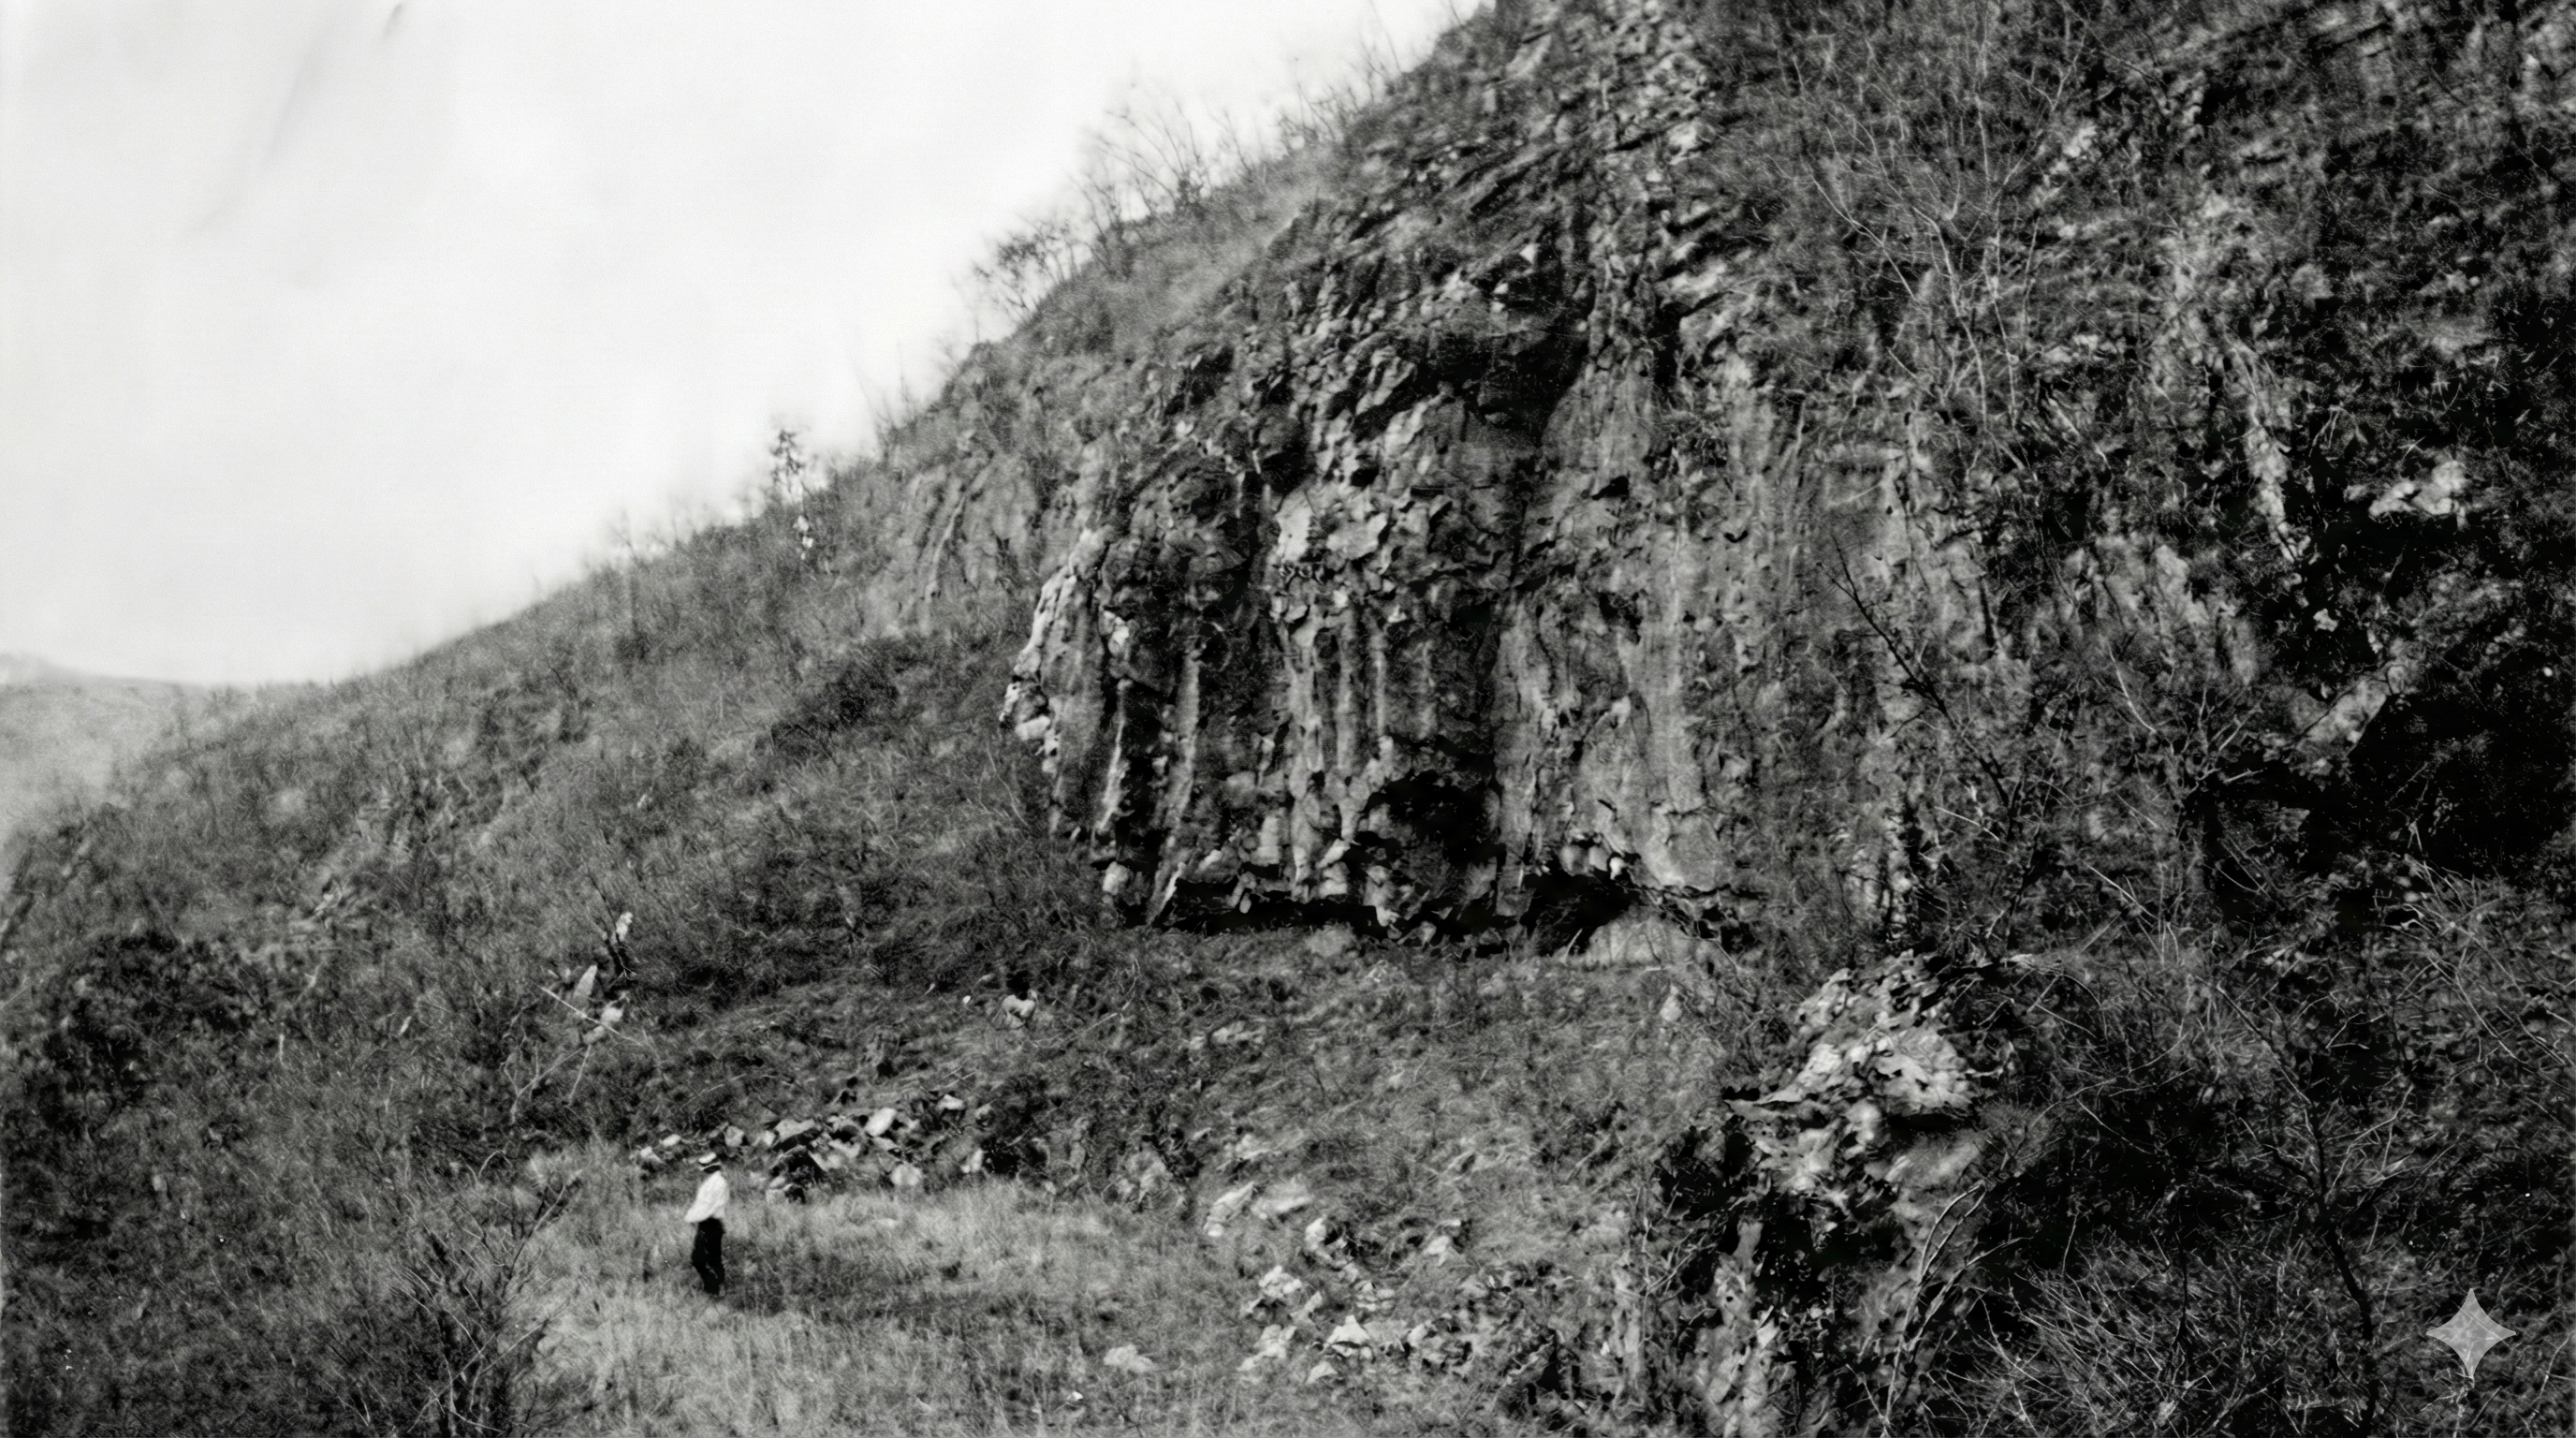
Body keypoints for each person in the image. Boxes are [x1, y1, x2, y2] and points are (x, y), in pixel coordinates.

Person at [684, 1153, 728, 1297]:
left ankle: (716, 1287)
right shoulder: (712, 1182)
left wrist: (692, 1217)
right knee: (707, 1258)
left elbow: (707, 1207)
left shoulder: (718, 1183)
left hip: (711, 1224)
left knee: (705, 1258)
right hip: (708, 1224)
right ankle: (713, 1287)